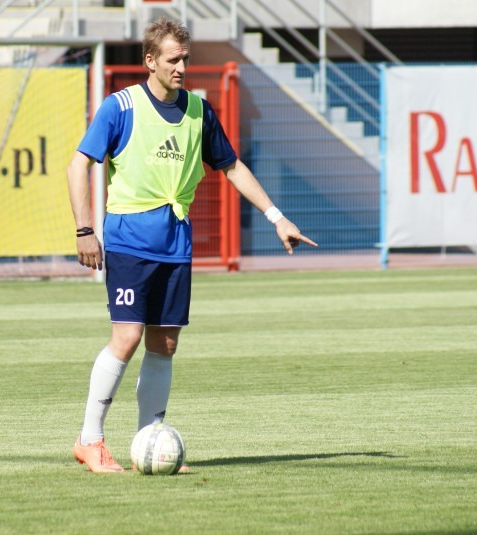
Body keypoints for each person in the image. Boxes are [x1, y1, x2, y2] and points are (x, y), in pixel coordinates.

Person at [67, 17, 317, 473]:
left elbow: (232, 166)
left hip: (175, 246)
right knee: (127, 337)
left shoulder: (200, 111)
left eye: (186, 58)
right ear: (150, 61)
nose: (181, 67)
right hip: (128, 241)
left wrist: (277, 218)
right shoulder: (120, 107)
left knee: (164, 344)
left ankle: (149, 442)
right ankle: (89, 440)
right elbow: (77, 165)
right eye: (173, 59)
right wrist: (85, 231)